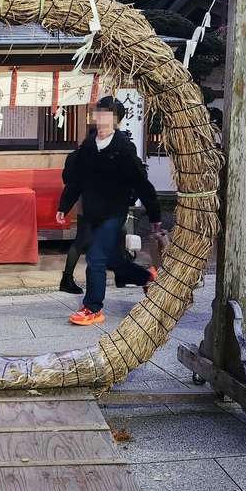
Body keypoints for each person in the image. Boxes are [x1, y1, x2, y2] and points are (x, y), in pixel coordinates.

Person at [56, 96, 162, 325]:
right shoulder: (88, 146)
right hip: (92, 211)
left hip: (114, 211)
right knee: (112, 259)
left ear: (118, 122)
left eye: (108, 115)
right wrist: (64, 206)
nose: (102, 118)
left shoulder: (123, 147)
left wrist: (154, 212)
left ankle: (93, 307)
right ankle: (147, 277)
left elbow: (140, 181)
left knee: (96, 257)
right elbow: (76, 181)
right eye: (100, 113)